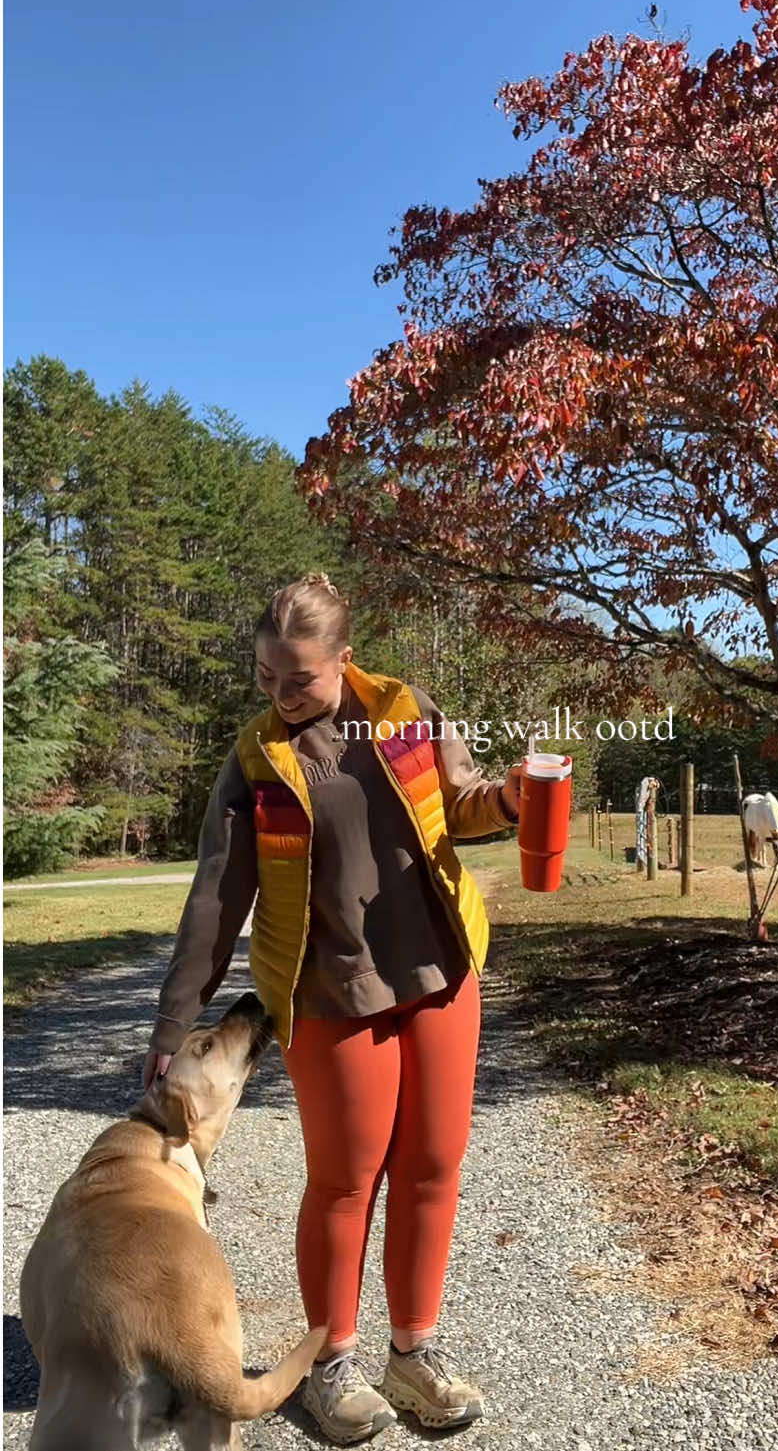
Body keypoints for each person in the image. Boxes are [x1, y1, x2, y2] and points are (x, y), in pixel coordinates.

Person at [143, 573, 522, 1444]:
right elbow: (214, 900)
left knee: (433, 1165)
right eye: (268, 676)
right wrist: (173, 1025)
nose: (281, 694)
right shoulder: (256, 758)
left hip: (442, 969)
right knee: (347, 1180)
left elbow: (458, 802)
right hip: (329, 988)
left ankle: (413, 1353)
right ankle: (329, 1365)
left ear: (345, 661)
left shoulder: (402, 709)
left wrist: (504, 800)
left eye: (300, 678)